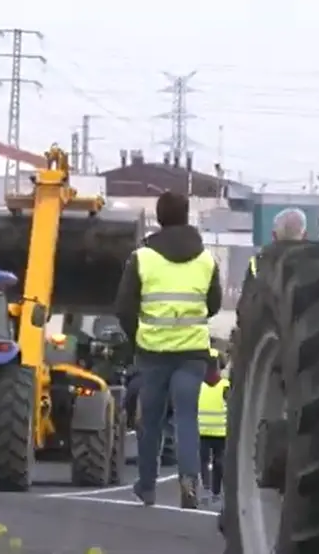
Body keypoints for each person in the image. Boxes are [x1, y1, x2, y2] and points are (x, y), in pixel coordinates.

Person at [115, 191, 223, 509]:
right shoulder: (206, 260)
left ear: (159, 218)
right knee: (187, 417)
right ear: (187, 216)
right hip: (192, 352)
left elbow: (123, 307)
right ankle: (189, 482)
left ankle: (147, 486)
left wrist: (139, 337)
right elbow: (213, 305)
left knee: (151, 420)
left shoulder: (142, 258)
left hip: (152, 352)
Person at [243, 207, 308, 286]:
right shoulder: (314, 266)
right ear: (305, 235)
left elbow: (248, 295)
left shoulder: (257, 263)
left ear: (274, 235)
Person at [198, 347, 229, 505]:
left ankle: (206, 490)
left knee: (204, 462)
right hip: (221, 432)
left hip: (202, 431)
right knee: (219, 462)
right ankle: (216, 492)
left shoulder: (198, 385)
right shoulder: (226, 385)